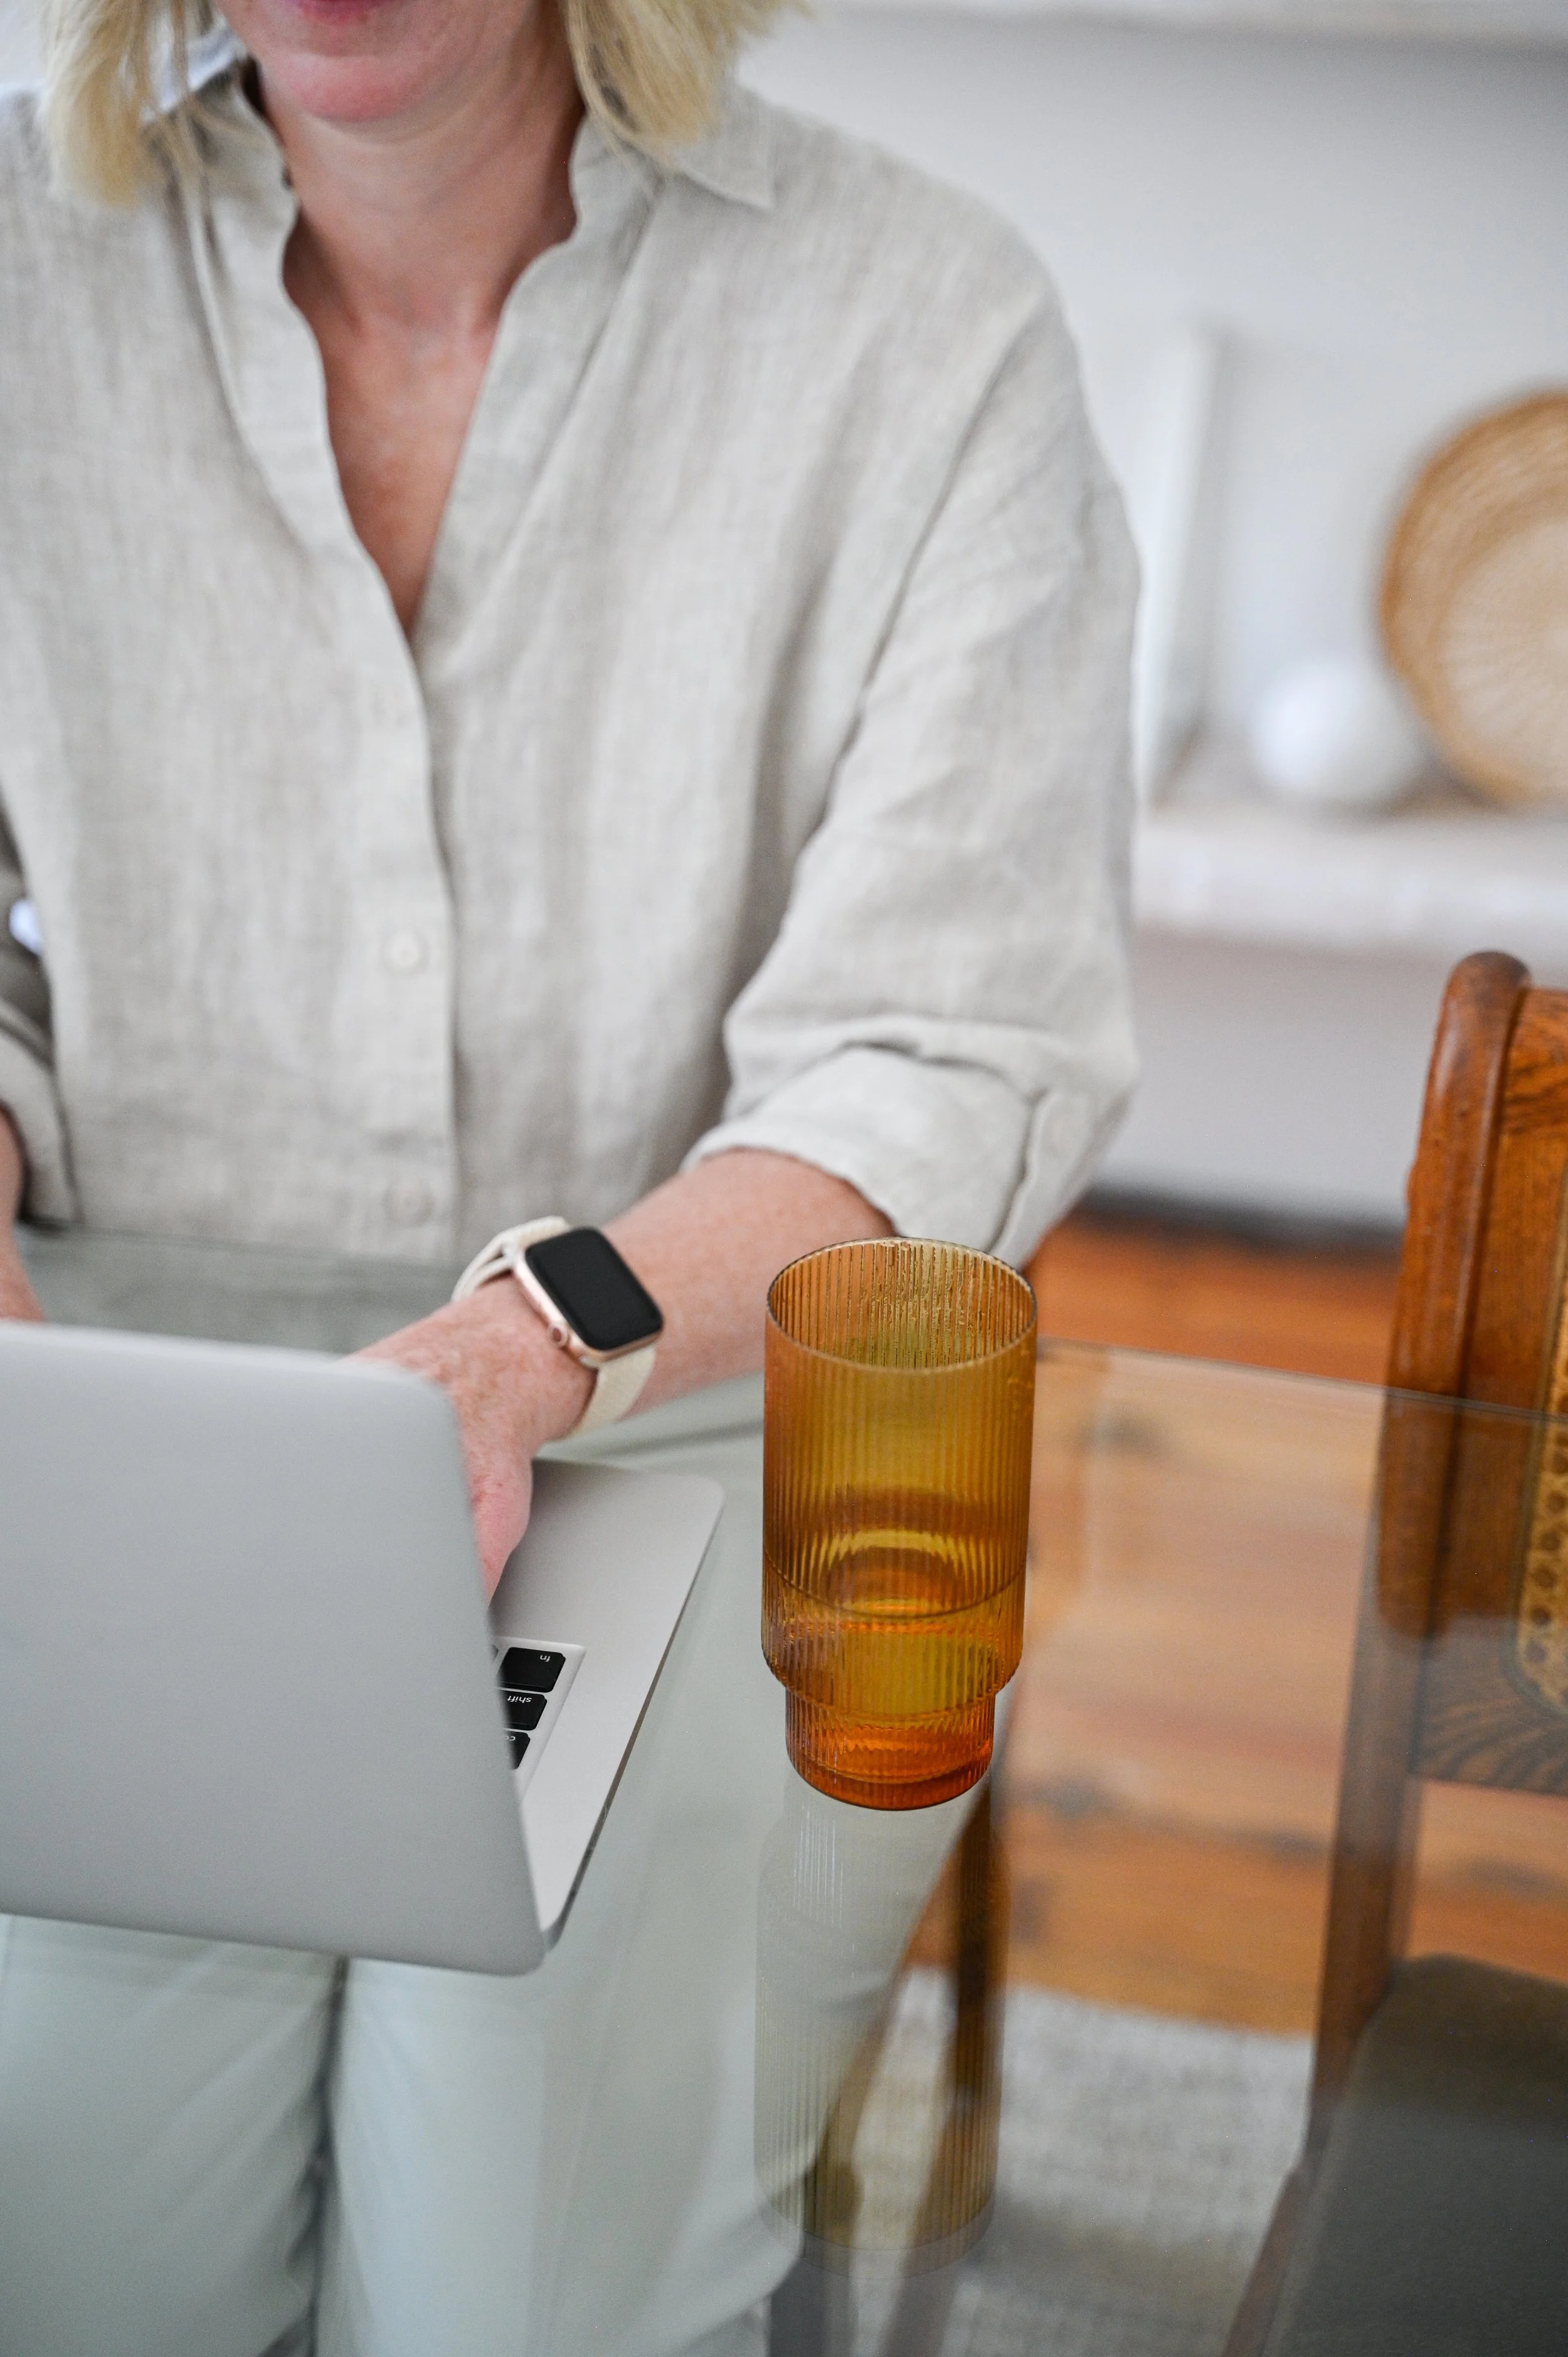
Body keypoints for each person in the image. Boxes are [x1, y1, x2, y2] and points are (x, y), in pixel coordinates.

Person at [0, 0, 1137, 2344]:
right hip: (109, 1418)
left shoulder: (923, 322)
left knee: (500, 2245)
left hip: (684, 1407)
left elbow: (939, 1046)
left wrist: (525, 1347)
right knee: (71, 2219)